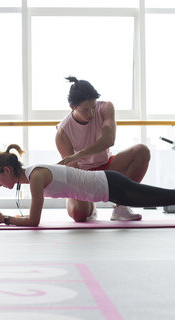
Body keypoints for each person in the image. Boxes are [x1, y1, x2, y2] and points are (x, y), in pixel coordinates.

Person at [0, 144, 175, 227]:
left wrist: (3, 218)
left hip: (112, 186)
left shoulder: (37, 177)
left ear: (7, 170)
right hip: (109, 186)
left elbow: (34, 221)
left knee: (170, 197)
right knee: (170, 196)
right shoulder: (33, 175)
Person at [56, 76, 151, 222]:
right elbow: (74, 173)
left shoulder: (105, 108)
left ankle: (121, 206)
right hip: (82, 175)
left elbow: (109, 140)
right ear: (72, 107)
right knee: (79, 215)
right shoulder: (63, 132)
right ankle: (89, 207)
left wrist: (80, 154)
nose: (91, 113)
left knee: (142, 151)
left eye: (93, 107)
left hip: (107, 167)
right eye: (85, 110)